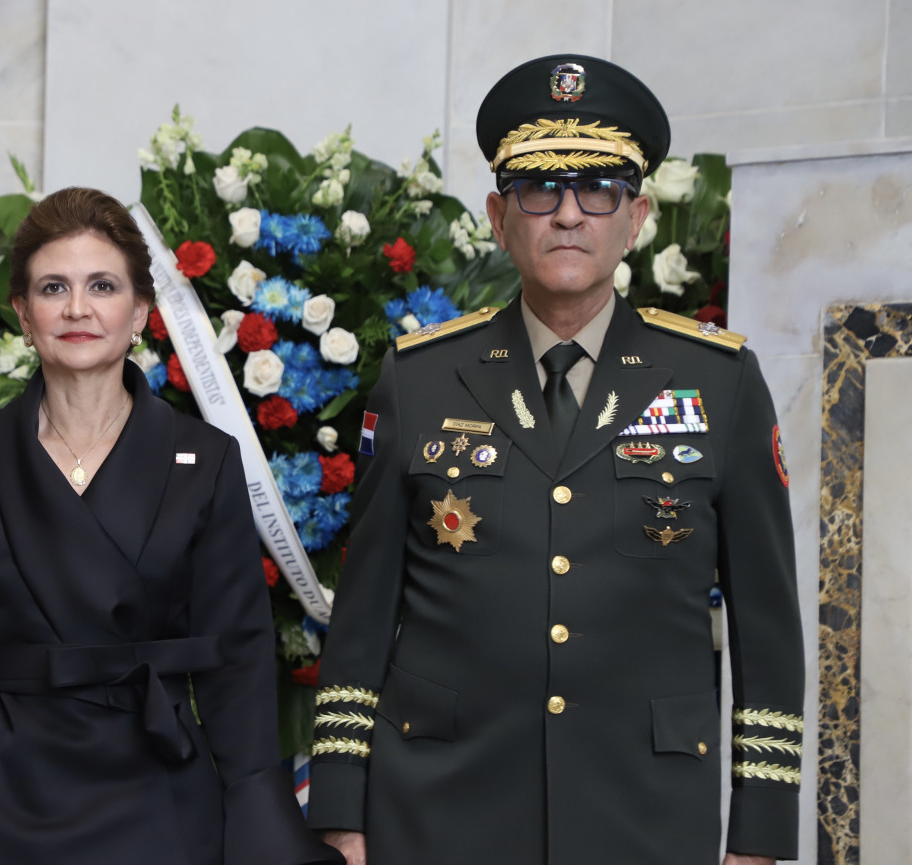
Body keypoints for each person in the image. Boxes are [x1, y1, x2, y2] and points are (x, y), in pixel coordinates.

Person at [307, 55, 804, 865]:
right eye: (540, 190)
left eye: (598, 189)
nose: (569, 214)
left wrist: (760, 833)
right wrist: (339, 808)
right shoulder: (419, 377)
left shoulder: (721, 381)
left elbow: (768, 626)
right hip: (441, 806)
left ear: (636, 217)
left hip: (644, 812)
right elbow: (362, 617)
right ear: (499, 217)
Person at [0, 187, 342, 865]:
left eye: (102, 285)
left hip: (154, 790)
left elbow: (238, 662)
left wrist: (258, 816)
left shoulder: (207, 459)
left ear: (141, 311)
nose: (77, 308)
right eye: (54, 287)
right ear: (23, 311)